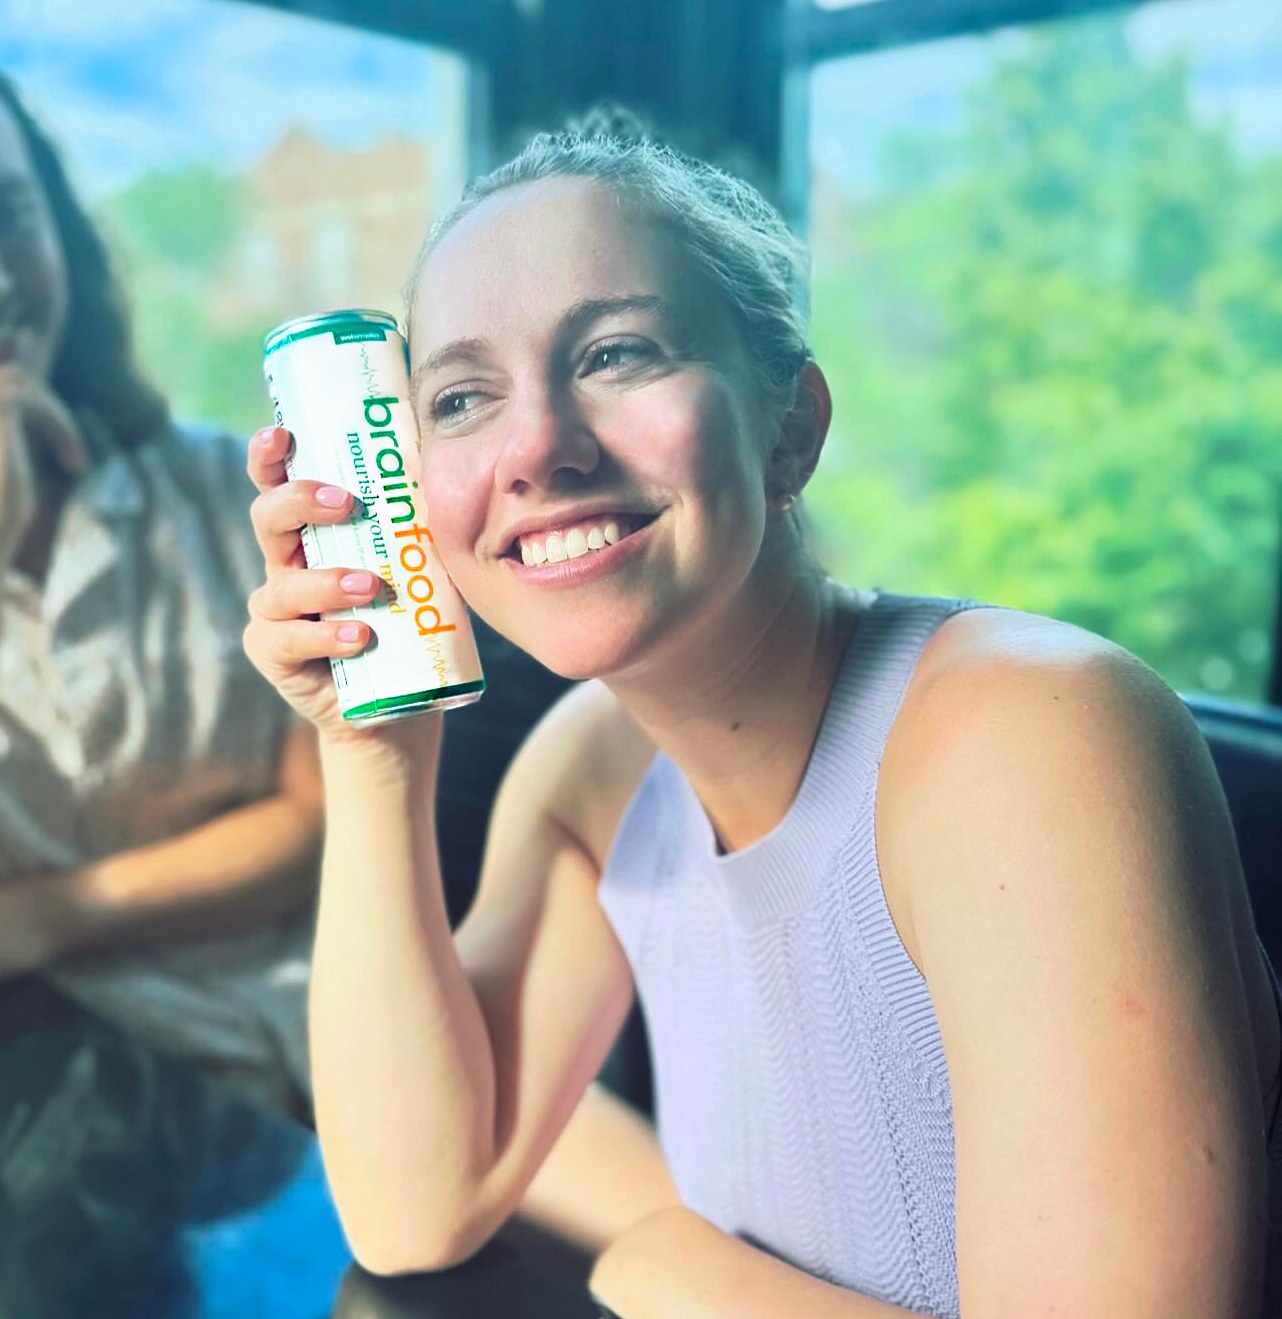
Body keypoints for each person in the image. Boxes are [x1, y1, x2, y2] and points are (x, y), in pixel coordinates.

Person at [243, 108, 1282, 1317]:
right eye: (463, 398)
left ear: (791, 426)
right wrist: (370, 753)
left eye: (616, 353)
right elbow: (412, 1205)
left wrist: (681, 1274)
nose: (536, 446)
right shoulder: (594, 765)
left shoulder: (1035, 733)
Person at [0, 73, 322, 1114]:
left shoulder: (232, 492)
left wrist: (50, 914)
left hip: (301, 1063)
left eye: (11, 214)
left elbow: (322, 816)